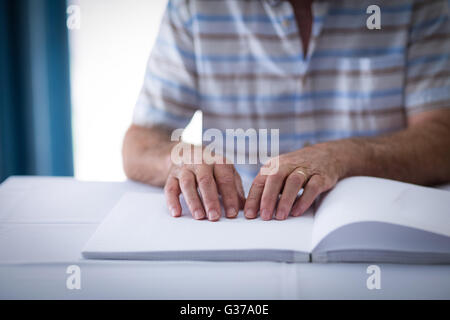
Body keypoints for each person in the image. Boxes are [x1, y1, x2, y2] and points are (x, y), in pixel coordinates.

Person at [123, 0, 450, 222]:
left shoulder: (418, 4)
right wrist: (181, 160)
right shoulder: (194, 7)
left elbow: (442, 139)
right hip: (242, 224)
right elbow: (140, 142)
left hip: (382, 222)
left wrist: (343, 157)